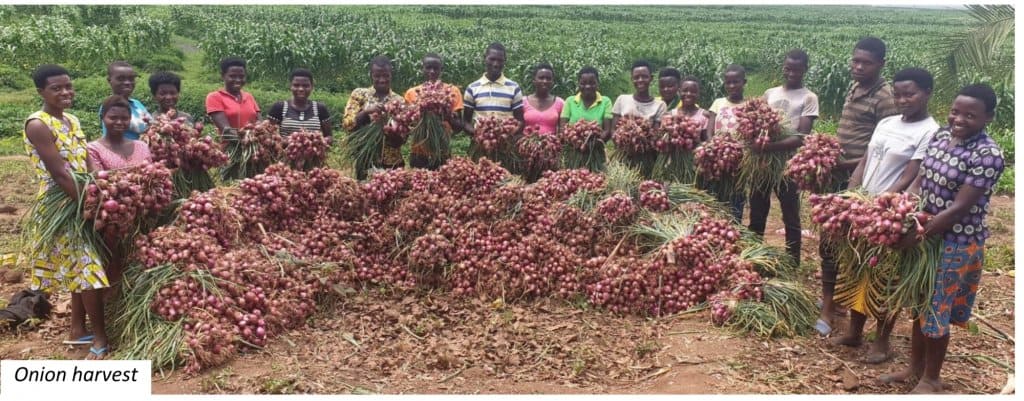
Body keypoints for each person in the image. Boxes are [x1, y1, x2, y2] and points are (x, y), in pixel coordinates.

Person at [881, 84, 1004, 394]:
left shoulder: (987, 154)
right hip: (926, 232)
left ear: (988, 117)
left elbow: (960, 208)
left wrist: (916, 234)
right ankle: (914, 369)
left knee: (937, 309)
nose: (958, 119)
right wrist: (902, 208)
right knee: (920, 304)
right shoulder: (940, 137)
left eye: (970, 115)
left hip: (956, 242)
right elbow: (921, 180)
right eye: (954, 112)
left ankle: (931, 379)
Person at [830, 68, 939, 364]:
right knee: (857, 268)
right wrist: (850, 194)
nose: (903, 100)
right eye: (898, 94)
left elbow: (912, 173)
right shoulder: (887, 122)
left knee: (887, 276)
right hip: (864, 206)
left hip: (889, 211)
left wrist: (883, 202)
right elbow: (866, 159)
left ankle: (881, 342)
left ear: (927, 93)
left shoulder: (930, 131)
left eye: (910, 94)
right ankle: (854, 332)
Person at [23, 64, 110, 359]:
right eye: (56, 88)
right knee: (88, 269)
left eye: (68, 86)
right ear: (41, 92)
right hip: (61, 202)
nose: (65, 92)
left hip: (83, 195)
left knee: (77, 266)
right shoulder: (38, 124)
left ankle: (76, 329)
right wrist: (89, 206)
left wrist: (101, 186)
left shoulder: (71, 119)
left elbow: (86, 162)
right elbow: (60, 174)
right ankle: (100, 338)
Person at [818, 38, 899, 336]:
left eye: (866, 63)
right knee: (829, 239)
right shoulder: (854, 86)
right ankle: (831, 300)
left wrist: (844, 166)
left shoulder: (886, 98)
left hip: (862, 182)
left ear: (881, 65)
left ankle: (836, 304)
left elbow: (883, 149)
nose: (858, 67)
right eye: (855, 61)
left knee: (849, 243)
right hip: (839, 175)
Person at [749, 49, 818, 277]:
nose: (792, 73)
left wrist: (769, 147)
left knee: (790, 213)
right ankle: (755, 256)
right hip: (762, 163)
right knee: (758, 210)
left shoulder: (809, 97)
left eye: (797, 69)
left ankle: (792, 263)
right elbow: (755, 120)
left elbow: (801, 136)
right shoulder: (770, 93)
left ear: (805, 70)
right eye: (788, 68)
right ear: (783, 67)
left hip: (789, 164)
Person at [86, 95, 153, 303]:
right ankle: (111, 306)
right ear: (102, 118)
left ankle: (133, 300)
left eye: (124, 118)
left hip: (142, 213)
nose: (119, 122)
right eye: (113, 117)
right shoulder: (92, 149)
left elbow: (151, 176)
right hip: (111, 220)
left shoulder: (141, 145)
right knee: (112, 261)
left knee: (140, 259)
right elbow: (101, 183)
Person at [343, 56, 405, 180]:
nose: (382, 80)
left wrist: (389, 129)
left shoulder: (399, 101)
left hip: (392, 163)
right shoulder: (359, 94)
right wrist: (366, 112)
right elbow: (347, 124)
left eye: (386, 75)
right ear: (371, 75)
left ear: (391, 75)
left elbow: (401, 140)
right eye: (377, 76)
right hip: (366, 158)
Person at [404, 53, 464, 170]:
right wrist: (419, 115)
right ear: (422, 69)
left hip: (442, 152)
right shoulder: (412, 93)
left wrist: (446, 115)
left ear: (441, 70)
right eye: (428, 68)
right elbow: (407, 126)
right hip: (418, 153)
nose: (432, 71)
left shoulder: (452, 91)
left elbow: (458, 127)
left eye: (436, 68)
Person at [612, 60, 667, 178]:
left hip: (646, 158)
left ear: (651, 78)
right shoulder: (622, 99)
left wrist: (641, 138)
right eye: (636, 77)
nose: (640, 80)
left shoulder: (660, 105)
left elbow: (657, 135)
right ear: (631, 79)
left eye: (644, 77)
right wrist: (624, 140)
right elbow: (614, 130)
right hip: (623, 155)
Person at [708, 64, 749, 221]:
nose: (732, 86)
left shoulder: (749, 106)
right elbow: (709, 131)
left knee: (736, 197)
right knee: (714, 196)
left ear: (744, 82)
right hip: (716, 158)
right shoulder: (718, 103)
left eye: (736, 81)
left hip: (739, 160)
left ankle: (734, 229)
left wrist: (737, 150)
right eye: (728, 82)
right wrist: (714, 148)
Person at [462, 42, 525, 141]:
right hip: (480, 144)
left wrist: (506, 135)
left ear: (505, 61)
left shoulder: (514, 88)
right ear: (485, 58)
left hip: (505, 144)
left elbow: (520, 121)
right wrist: (479, 134)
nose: (496, 64)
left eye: (500, 60)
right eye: (492, 59)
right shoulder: (472, 88)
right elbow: (466, 122)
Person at [558, 66, 613, 172]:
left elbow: (607, 131)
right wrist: (576, 141)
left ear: (598, 83)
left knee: (596, 177)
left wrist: (592, 144)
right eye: (583, 83)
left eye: (592, 83)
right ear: (578, 83)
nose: (587, 86)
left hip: (596, 153)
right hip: (573, 153)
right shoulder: (570, 101)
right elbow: (563, 128)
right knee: (572, 176)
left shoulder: (605, 101)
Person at [268, 68, 332, 138]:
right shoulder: (279, 107)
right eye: (296, 85)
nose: (301, 89)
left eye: (305, 86)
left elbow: (329, 137)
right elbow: (268, 135)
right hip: (285, 148)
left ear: (312, 87)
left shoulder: (320, 108)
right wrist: (286, 142)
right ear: (290, 86)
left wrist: (319, 142)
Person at [206, 57, 260, 135]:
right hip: (228, 146)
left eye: (241, 76)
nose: (238, 80)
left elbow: (260, 124)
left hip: (253, 145)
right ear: (222, 76)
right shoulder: (215, 97)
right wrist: (248, 137)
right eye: (232, 76)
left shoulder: (249, 96)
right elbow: (226, 130)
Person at [99, 61, 151, 140]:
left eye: (131, 79)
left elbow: (151, 125)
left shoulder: (137, 104)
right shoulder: (109, 106)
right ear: (109, 81)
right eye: (121, 79)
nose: (127, 82)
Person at [522, 63, 564, 135]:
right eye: (541, 78)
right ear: (534, 80)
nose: (545, 81)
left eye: (548, 78)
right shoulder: (523, 102)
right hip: (526, 144)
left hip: (551, 145)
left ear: (552, 82)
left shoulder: (560, 103)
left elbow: (562, 130)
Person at [672, 75, 713, 140]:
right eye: (685, 90)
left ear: (698, 93)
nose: (688, 94)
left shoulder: (704, 116)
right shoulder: (671, 114)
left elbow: (706, 140)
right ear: (679, 92)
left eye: (693, 91)